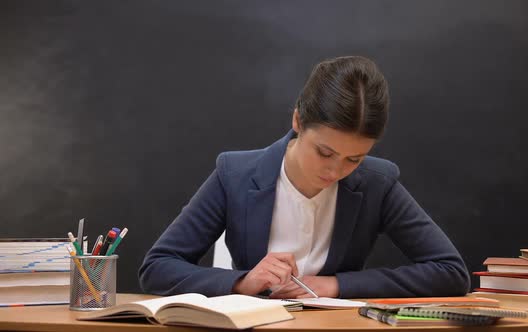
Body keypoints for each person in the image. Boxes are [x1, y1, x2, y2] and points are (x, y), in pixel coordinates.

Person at [139, 56, 470, 299]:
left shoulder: (376, 182)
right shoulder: (235, 174)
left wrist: (335, 284)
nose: (334, 171)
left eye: (354, 158)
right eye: (324, 152)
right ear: (298, 120)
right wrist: (242, 282)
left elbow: (451, 272)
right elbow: (157, 267)